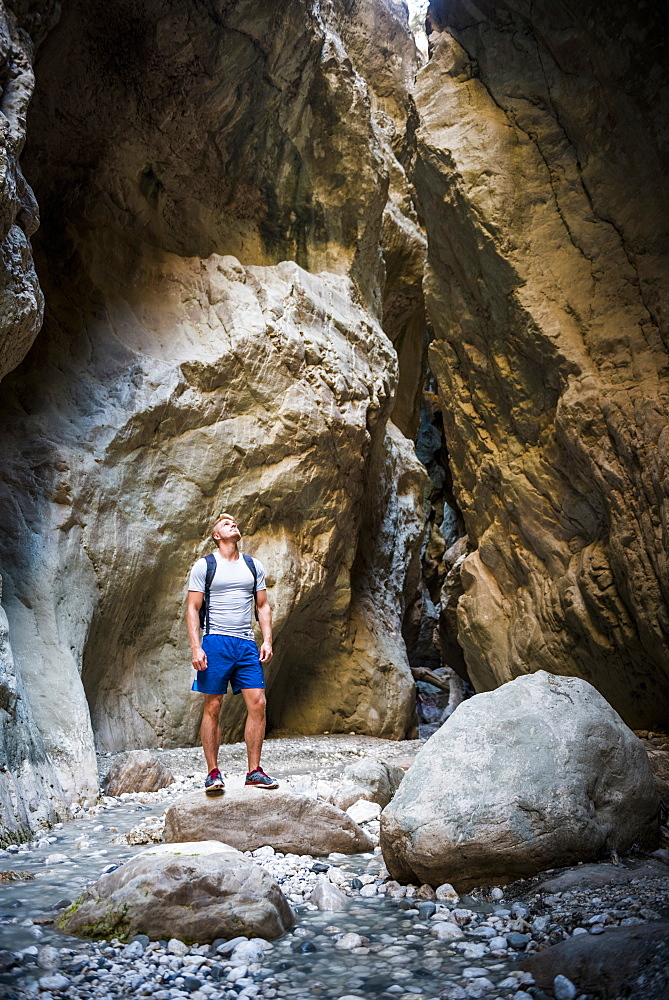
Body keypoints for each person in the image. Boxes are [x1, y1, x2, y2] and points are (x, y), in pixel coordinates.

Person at [186, 513, 278, 795]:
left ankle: (254, 772)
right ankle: (213, 773)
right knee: (213, 706)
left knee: (258, 703)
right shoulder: (205, 566)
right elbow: (192, 608)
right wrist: (196, 646)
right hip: (215, 641)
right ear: (216, 535)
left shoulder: (252, 566)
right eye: (226, 524)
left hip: (246, 643)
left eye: (234, 522)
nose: (233, 524)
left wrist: (267, 640)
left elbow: (262, 606)